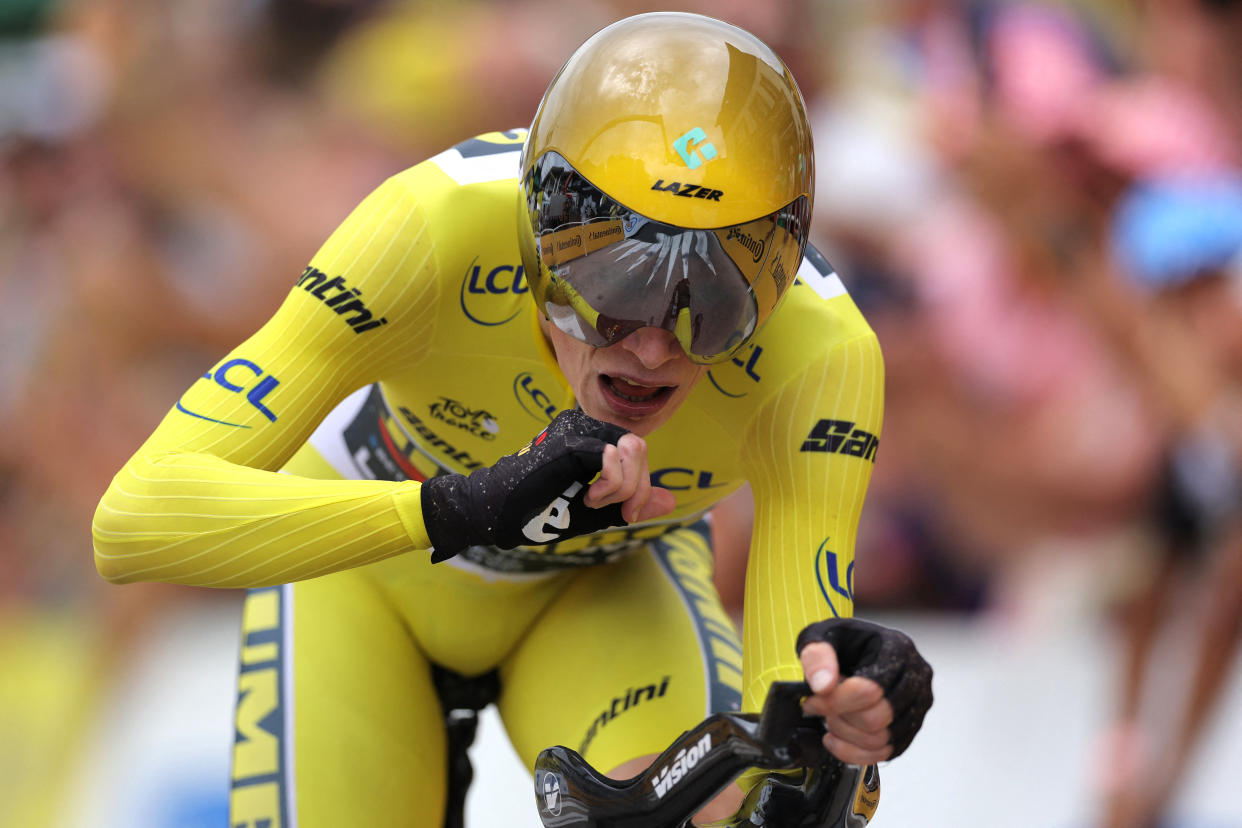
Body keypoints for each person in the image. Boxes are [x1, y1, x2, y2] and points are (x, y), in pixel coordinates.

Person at [91, 12, 933, 827]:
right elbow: (134, 522)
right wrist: (461, 506)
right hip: (368, 586)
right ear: (536, 239)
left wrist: (847, 728)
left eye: (712, 304)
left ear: (781, 284)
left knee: (700, 807)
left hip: (605, 592)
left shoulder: (824, 353)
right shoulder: (432, 228)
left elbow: (794, 738)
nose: (650, 347)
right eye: (613, 285)